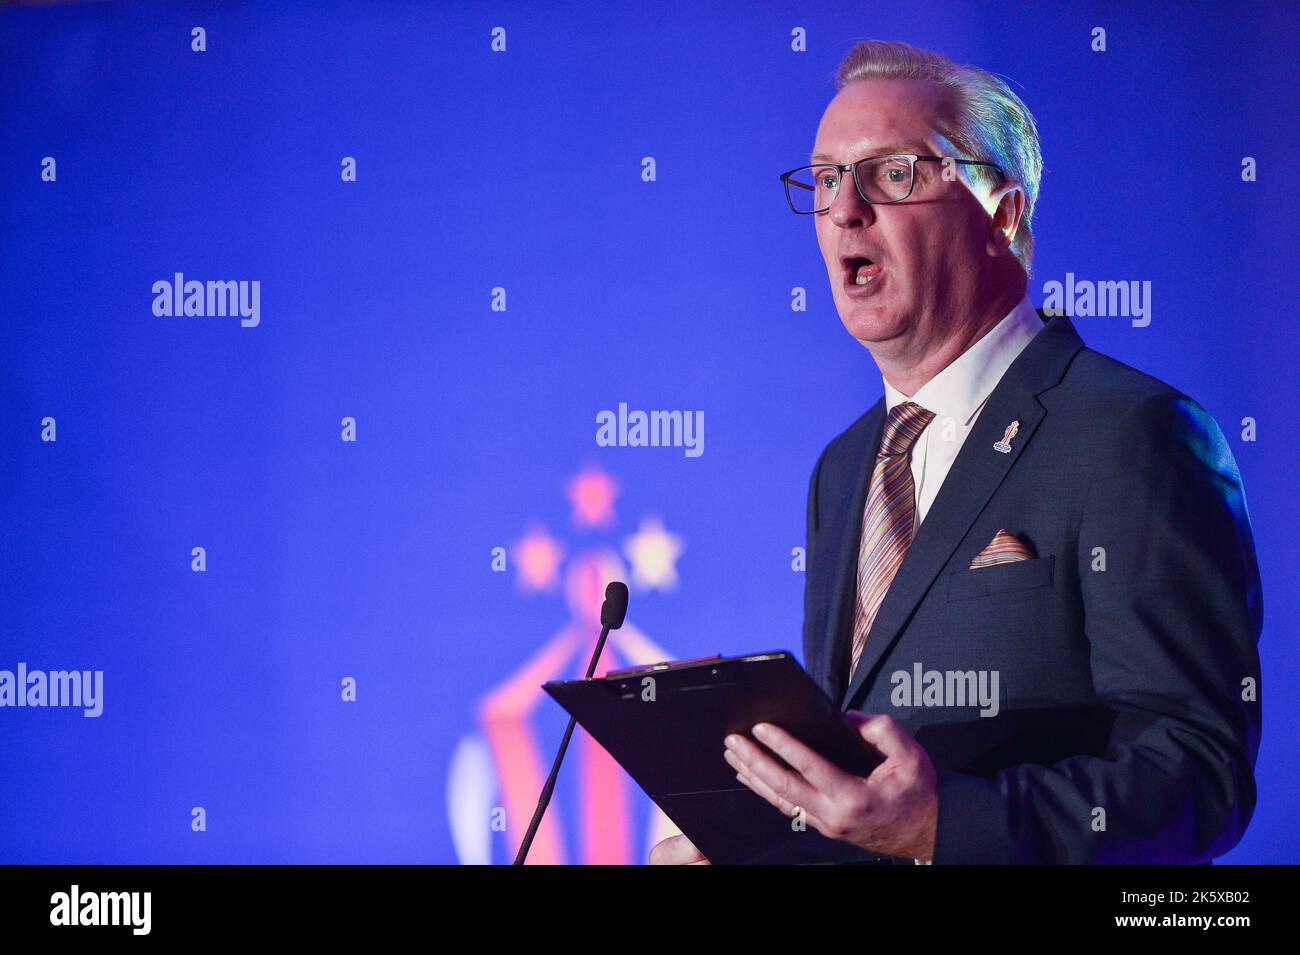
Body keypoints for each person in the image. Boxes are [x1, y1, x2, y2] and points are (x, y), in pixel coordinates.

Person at [651, 39, 1262, 865]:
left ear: (1002, 214)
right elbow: (865, 785)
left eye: (892, 173)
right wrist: (756, 832)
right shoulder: (843, 466)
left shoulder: (1134, 433)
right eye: (828, 178)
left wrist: (942, 826)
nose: (844, 210)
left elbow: (1199, 775)